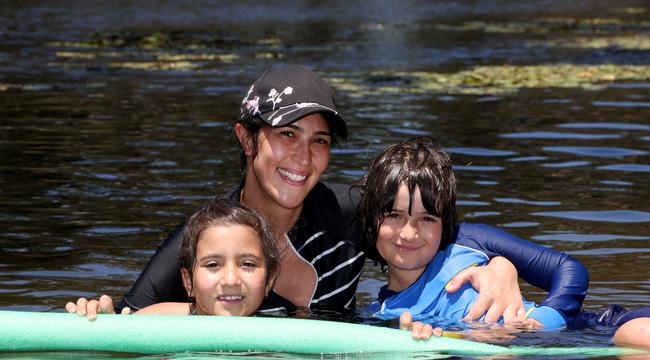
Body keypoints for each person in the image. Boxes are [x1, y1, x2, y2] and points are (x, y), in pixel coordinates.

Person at [66, 65, 587, 322]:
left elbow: (439, 233)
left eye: (318, 141)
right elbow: (126, 326)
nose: (303, 158)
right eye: (286, 135)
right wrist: (94, 313)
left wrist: (500, 267)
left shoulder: (348, 212)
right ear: (247, 139)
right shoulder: (202, 241)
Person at [358, 137, 650, 350]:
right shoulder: (381, 317)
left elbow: (569, 269)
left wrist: (542, 322)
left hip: (592, 329)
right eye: (394, 215)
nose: (409, 234)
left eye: (427, 219)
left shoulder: (469, 240)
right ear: (371, 219)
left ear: (445, 221)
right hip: (535, 351)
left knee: (638, 334)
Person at [135, 198, 279, 316]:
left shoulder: (281, 335)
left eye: (248, 264)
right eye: (213, 265)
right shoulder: (157, 320)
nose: (231, 280)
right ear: (188, 281)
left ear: (269, 280)